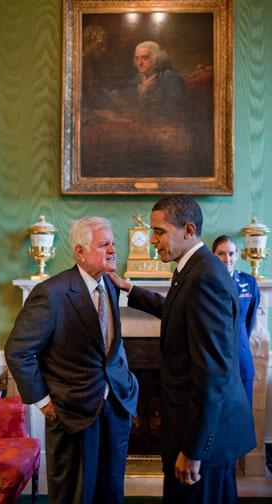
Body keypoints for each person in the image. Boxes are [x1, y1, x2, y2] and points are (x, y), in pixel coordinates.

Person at [108, 195, 256, 504]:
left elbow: (212, 374)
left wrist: (192, 450)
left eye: (159, 231)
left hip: (204, 440)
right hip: (200, 431)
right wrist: (131, 290)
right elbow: (177, 311)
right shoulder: (194, 268)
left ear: (188, 230)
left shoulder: (205, 277)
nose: (152, 240)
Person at [5, 216, 138, 504]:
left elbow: (110, 346)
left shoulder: (111, 286)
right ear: (80, 251)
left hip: (115, 406)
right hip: (71, 413)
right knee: (74, 496)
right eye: (104, 244)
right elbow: (18, 351)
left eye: (114, 243)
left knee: (112, 492)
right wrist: (42, 401)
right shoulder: (51, 293)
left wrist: (125, 382)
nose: (114, 249)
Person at [212, 235, 260, 406]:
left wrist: (239, 342)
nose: (227, 259)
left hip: (241, 358)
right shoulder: (205, 283)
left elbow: (248, 321)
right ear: (213, 256)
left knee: (243, 411)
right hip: (215, 360)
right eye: (221, 254)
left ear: (237, 255)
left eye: (231, 253)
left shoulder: (249, 283)